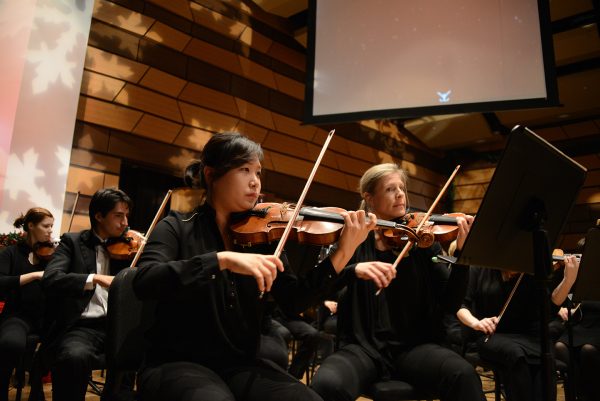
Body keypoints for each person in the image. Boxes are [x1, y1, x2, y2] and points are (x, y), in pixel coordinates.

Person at [132, 132, 383, 401]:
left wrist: (343, 252)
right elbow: (144, 280)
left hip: (238, 362)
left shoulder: (260, 238)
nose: (255, 182)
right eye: (244, 170)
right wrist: (221, 260)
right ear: (211, 174)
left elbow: (294, 300)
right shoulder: (177, 226)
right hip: (176, 362)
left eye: (258, 172)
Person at [310, 163, 484, 401]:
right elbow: (322, 289)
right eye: (390, 189)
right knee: (327, 384)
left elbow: (450, 302)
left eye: (401, 188)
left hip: (414, 347)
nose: (400, 194)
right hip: (362, 348)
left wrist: (462, 257)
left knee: (463, 374)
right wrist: (354, 269)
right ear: (369, 198)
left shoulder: (422, 240)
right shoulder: (352, 239)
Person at [42, 188, 133, 401]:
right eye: (118, 216)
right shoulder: (72, 242)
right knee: (73, 356)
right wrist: (94, 278)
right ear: (99, 216)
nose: (125, 223)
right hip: (82, 327)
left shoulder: (129, 248)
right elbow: (51, 278)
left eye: (126, 216)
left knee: (141, 353)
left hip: (117, 325)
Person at [457, 255, 579, 401]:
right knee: (517, 355)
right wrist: (476, 323)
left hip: (529, 335)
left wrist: (568, 281)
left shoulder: (530, 271)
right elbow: (460, 304)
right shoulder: (480, 267)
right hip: (491, 335)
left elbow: (550, 309)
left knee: (545, 356)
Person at [0, 208, 54, 401]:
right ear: (31, 225)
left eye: (52, 227)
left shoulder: (52, 255)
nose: (50, 232)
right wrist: (33, 275)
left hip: (46, 316)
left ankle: (37, 384)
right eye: (46, 226)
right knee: (10, 344)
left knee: (64, 344)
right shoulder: (11, 253)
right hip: (18, 315)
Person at [555, 235, 599, 401]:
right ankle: (572, 395)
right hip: (584, 323)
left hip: (598, 325)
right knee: (560, 347)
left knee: (588, 350)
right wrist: (565, 310)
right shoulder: (578, 274)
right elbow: (576, 302)